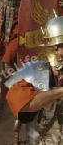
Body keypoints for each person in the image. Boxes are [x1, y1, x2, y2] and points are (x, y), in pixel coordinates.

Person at [5, 15, 63, 144]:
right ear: (52, 48)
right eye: (61, 46)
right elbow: (23, 105)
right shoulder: (33, 71)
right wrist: (60, 91)